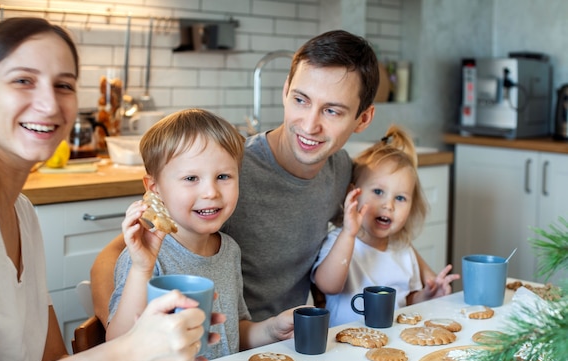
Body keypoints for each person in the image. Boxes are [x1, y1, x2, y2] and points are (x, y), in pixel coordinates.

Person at [0, 18, 222, 361]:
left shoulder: (22, 213)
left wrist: (153, 356)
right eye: (23, 80)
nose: (50, 104)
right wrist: (125, 357)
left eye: (64, 85)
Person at [91, 30, 445, 324]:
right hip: (214, 348)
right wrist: (124, 345)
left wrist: (426, 273)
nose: (309, 125)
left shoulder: (341, 172)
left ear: (363, 120)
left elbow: (376, 220)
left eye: (332, 111)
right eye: (301, 100)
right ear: (285, 89)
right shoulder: (224, 173)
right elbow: (114, 259)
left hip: (284, 341)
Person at [106, 108, 297, 360]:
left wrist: (272, 329)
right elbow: (119, 346)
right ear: (155, 188)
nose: (211, 192)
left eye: (223, 176)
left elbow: (231, 334)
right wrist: (142, 269)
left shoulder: (229, 250)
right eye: (191, 178)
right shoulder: (144, 258)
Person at [311, 125, 460, 326]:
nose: (388, 205)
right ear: (353, 194)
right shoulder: (340, 240)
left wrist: (426, 296)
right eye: (378, 192)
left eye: (400, 198)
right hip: (344, 348)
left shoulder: (403, 251)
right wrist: (348, 233)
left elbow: (406, 300)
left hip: (394, 345)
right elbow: (328, 286)